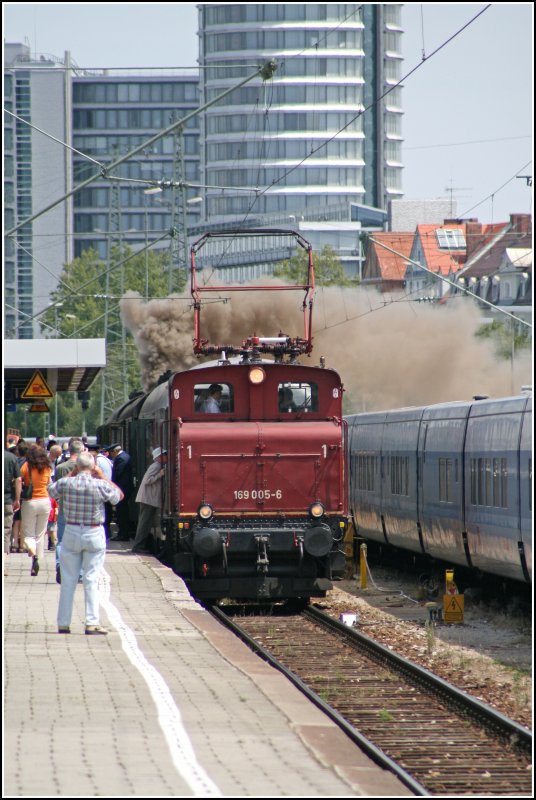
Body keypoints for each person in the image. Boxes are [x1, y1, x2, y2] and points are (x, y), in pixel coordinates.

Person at [49, 452, 123, 635]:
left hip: (72, 531)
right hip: (94, 532)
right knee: (91, 579)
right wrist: (103, 476)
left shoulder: (67, 483)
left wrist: (72, 473)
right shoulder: (99, 485)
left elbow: (51, 491)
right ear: (93, 467)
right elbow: (118, 496)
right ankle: (91, 622)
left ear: (77, 467)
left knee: (68, 580)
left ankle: (64, 623)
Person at [53, 439, 86, 583]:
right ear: (81, 451)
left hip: (64, 508)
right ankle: (79, 573)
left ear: (69, 451)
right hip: (81, 510)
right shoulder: (86, 467)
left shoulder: (60, 467)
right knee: (80, 542)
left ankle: (60, 565)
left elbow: (57, 489)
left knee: (61, 541)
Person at [20, 444, 53, 577]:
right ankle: (37, 559)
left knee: (28, 533)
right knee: (40, 534)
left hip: (30, 502)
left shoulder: (26, 466)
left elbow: (19, 480)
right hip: (45, 501)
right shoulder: (47, 467)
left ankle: (33, 554)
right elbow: (49, 484)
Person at [131, 448, 168, 554]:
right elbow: (147, 480)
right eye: (165, 455)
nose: (167, 457)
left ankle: (140, 545)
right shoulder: (156, 466)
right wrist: (160, 475)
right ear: (160, 457)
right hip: (148, 499)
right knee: (144, 523)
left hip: (149, 499)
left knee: (146, 523)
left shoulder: (158, 466)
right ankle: (138, 546)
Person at [108, 443, 134, 541]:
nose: (111, 456)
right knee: (122, 512)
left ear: (115, 451)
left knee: (122, 512)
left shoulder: (121, 458)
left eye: (111, 453)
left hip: (122, 489)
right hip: (124, 488)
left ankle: (123, 534)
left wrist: (112, 484)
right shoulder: (124, 456)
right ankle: (123, 533)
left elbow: (117, 473)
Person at [87, 444, 113, 539]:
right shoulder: (104, 459)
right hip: (105, 490)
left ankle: (106, 534)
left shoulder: (99, 461)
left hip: (102, 491)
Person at [4, 446, 21, 576]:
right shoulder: (11, 458)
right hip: (6, 500)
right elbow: (18, 479)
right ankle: (3, 565)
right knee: (5, 533)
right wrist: (17, 499)